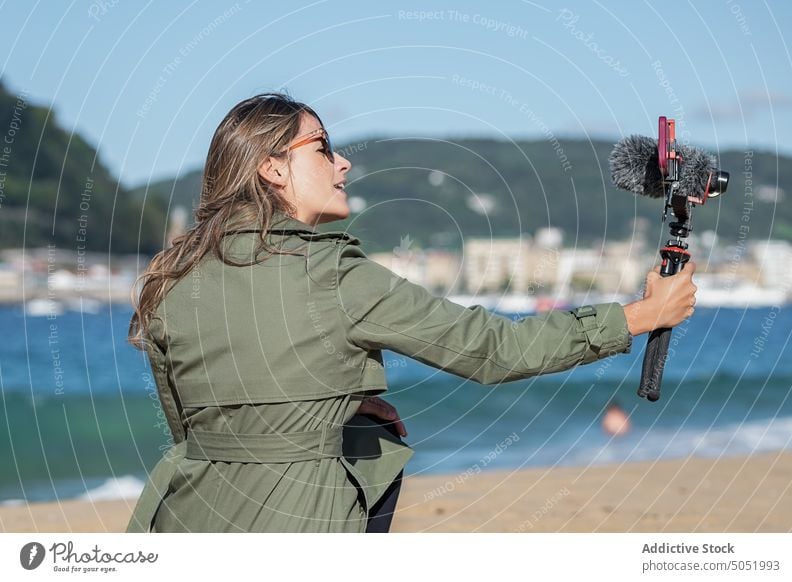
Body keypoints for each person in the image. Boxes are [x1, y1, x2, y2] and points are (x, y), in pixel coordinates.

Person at [125, 92, 697, 533]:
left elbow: (200, 426)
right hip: (300, 525)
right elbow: (495, 350)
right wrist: (641, 315)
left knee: (366, 425)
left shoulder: (172, 278)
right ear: (273, 169)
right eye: (323, 146)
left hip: (180, 519)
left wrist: (329, 404)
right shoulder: (334, 275)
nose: (341, 162)